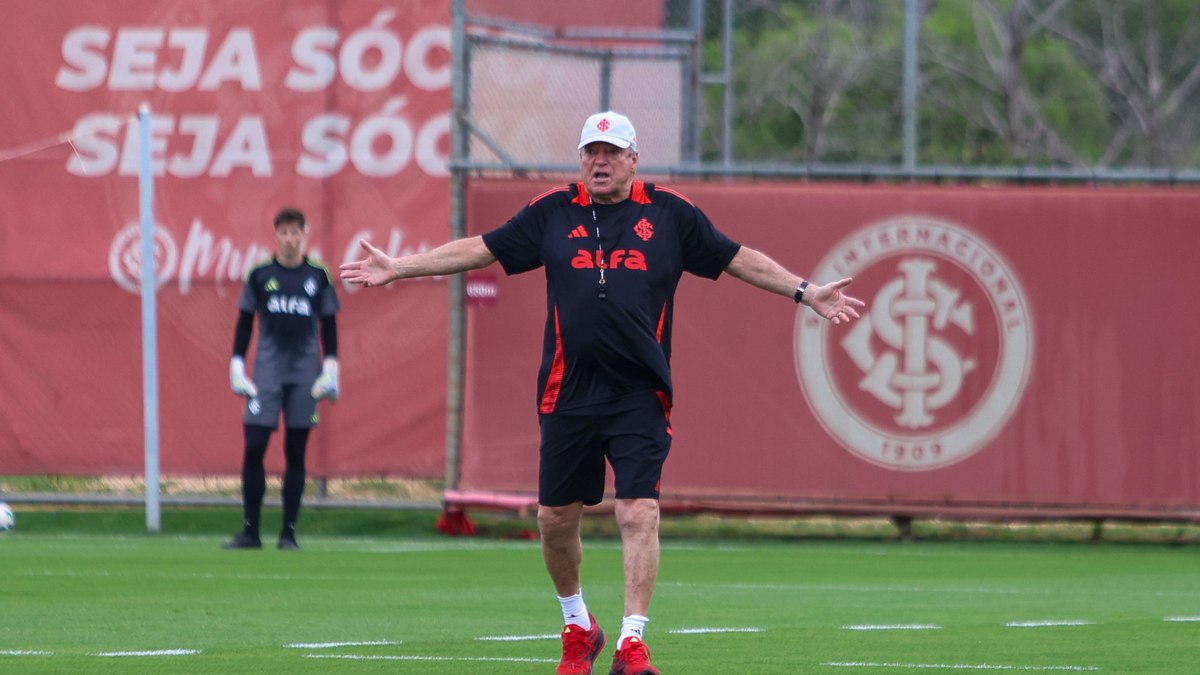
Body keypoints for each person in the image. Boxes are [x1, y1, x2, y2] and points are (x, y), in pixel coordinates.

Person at [340, 111, 865, 674]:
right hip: (568, 392)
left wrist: (805, 291)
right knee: (554, 520)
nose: (600, 161)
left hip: (639, 391)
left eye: (612, 152)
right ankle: (578, 625)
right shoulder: (553, 211)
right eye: (592, 151)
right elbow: (482, 249)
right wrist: (401, 267)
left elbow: (738, 258)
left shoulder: (669, 213)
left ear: (634, 159)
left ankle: (633, 642)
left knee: (639, 512)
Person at [224, 207, 341, 551]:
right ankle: (250, 531)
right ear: (275, 234)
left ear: (305, 233)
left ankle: (288, 532)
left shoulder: (318, 275)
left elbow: (329, 323)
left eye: (296, 232)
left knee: (296, 451)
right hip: (267, 373)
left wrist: (331, 365)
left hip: (304, 374)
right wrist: (236, 364)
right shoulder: (260, 274)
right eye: (284, 232)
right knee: (255, 445)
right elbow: (245, 322)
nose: (290, 238)